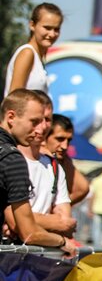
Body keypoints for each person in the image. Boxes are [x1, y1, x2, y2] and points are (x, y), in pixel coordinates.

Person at [0, 89, 75, 254]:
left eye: (44, 121)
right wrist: (62, 241)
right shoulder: (12, 158)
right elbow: (30, 233)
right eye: (34, 122)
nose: (41, 129)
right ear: (11, 117)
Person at [4, 3, 62, 95]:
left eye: (56, 29)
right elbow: (15, 97)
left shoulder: (38, 58)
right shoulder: (27, 53)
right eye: (47, 28)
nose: (52, 34)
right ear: (32, 25)